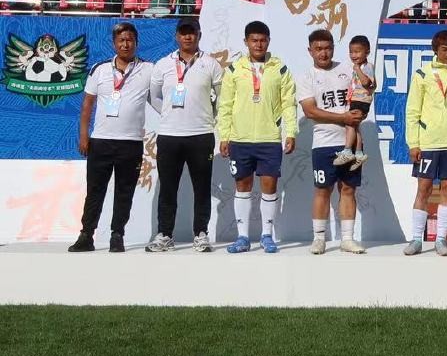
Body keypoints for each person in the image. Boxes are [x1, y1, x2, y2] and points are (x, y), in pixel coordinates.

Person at [69, 22, 154, 253]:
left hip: (131, 142)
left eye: (130, 40)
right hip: (101, 141)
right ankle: (86, 235)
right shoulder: (99, 69)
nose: (126, 44)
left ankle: (117, 235)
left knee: (124, 191)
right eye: (121, 40)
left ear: (136, 43)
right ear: (114, 43)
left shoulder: (148, 69)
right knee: (95, 190)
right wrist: (84, 135)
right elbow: (87, 105)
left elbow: (160, 99)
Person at [144, 18, 224, 253]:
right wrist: (168, 113)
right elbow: (154, 96)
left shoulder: (210, 64)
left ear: (199, 35)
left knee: (202, 188)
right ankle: (165, 234)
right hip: (169, 135)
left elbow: (223, 97)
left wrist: (209, 116)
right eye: (183, 33)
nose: (188, 37)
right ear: (176, 36)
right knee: (168, 188)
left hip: (201, 134)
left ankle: (201, 233)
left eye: (192, 33)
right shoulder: (163, 64)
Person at [218, 20, 297, 254]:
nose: (259, 44)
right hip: (240, 139)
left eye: (263, 40)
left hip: (269, 138)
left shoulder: (280, 69)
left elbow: (288, 103)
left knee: (269, 187)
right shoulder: (234, 70)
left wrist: (291, 132)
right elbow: (225, 105)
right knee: (242, 187)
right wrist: (224, 136)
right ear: (246, 42)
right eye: (254, 40)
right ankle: (243, 237)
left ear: (269, 41)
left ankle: (266, 235)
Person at [296, 28, 368, 256]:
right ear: (310, 51)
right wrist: (343, 118)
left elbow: (365, 91)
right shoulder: (306, 77)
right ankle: (319, 239)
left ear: (333, 49)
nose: (323, 53)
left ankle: (347, 239)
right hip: (323, 143)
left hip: (350, 140)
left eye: (327, 48)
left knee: (348, 189)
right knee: (322, 190)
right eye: (318, 49)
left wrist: (360, 112)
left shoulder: (348, 69)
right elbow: (310, 111)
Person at [405, 29, 447, 256]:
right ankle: (416, 239)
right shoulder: (422, 74)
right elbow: (412, 111)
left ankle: (441, 240)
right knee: (423, 188)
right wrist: (413, 143)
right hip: (428, 142)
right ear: (435, 50)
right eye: (444, 49)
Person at [335, 35, 376, 169]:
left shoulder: (366, 67)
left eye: (357, 52)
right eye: (351, 52)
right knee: (355, 126)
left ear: (367, 52)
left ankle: (348, 151)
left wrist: (358, 69)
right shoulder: (359, 66)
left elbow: (366, 82)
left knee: (350, 124)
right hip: (356, 99)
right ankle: (358, 153)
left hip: (361, 100)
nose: (353, 55)